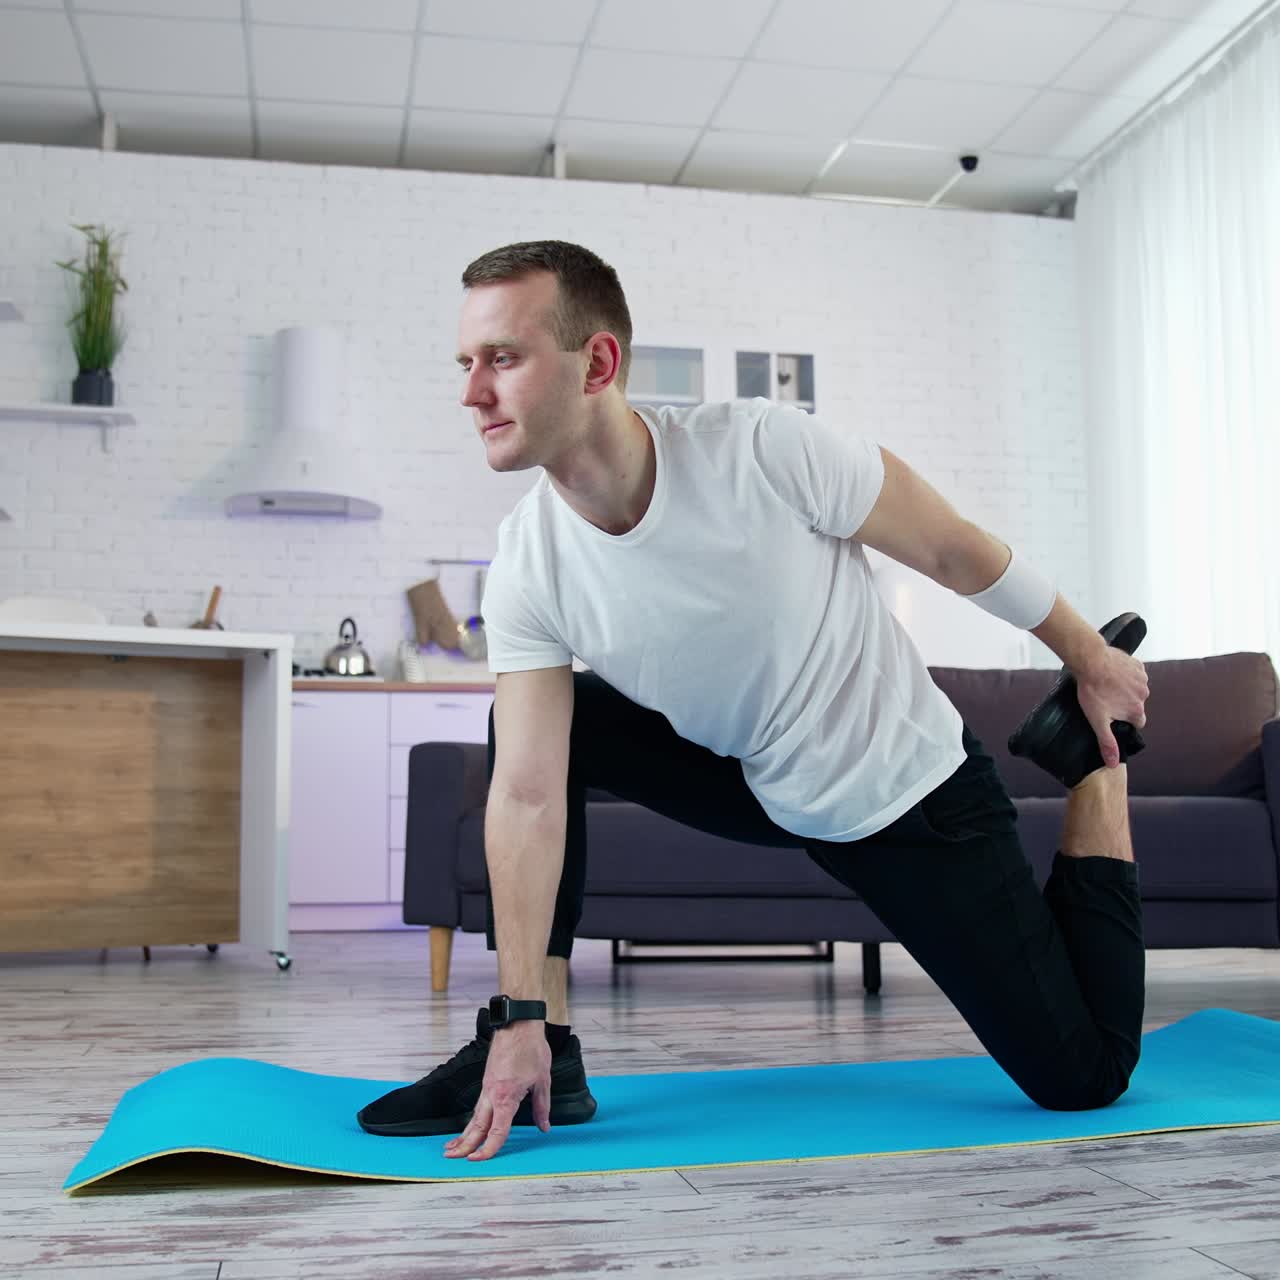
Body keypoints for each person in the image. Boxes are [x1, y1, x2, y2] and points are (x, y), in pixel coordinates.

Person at [356, 240, 1151, 1163]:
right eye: (466, 363)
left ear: (597, 364)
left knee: (1082, 1079)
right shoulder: (530, 559)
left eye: (503, 359)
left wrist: (1089, 655)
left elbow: (950, 549)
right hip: (761, 780)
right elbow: (529, 793)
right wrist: (519, 1016)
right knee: (533, 725)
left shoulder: (764, 450)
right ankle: (553, 1052)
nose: (472, 393)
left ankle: (1090, 767)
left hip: (908, 799)